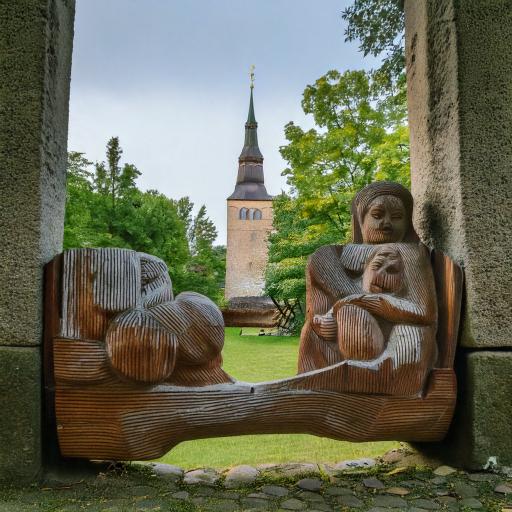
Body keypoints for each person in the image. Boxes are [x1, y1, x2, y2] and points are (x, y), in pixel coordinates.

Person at [298, 181, 437, 396]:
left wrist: (360, 301)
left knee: (405, 330)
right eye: (378, 215)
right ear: (361, 219)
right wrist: (324, 319)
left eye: (397, 217)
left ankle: (372, 376)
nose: (386, 223)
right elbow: (317, 308)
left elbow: (423, 311)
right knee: (337, 308)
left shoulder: (410, 252)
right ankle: (328, 377)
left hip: (396, 355)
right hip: (347, 340)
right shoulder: (333, 254)